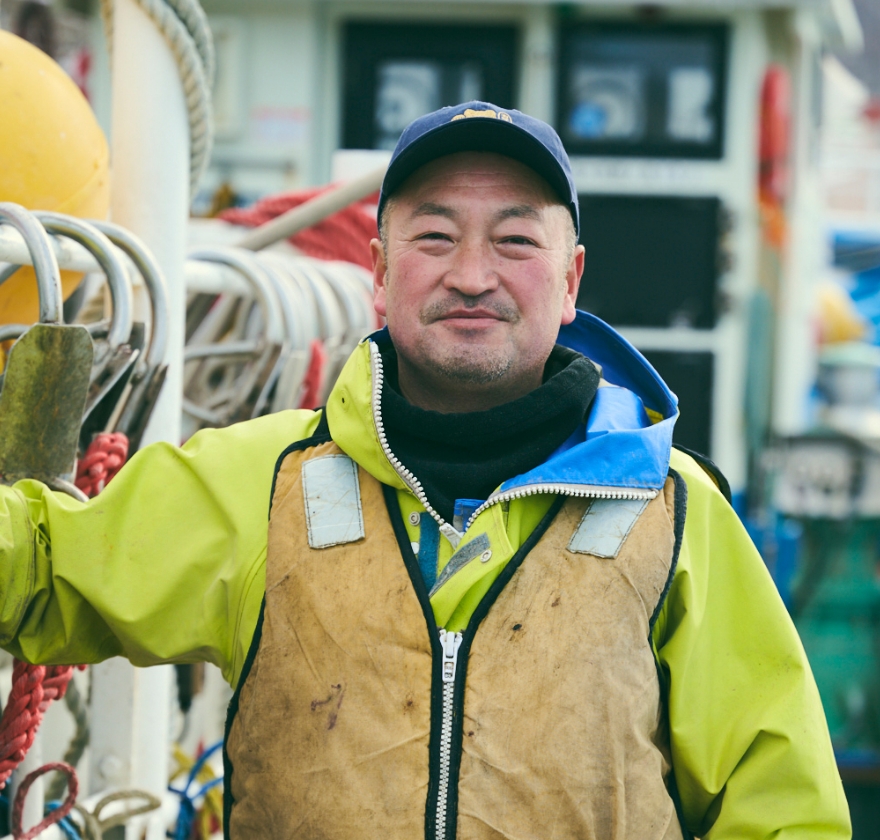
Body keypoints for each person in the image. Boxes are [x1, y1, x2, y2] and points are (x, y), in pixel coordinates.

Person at [0, 102, 849, 839]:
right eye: (434, 236)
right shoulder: (265, 484)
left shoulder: (676, 513)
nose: (471, 275)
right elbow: (40, 567)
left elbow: (782, 812)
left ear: (570, 280)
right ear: (376, 272)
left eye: (515, 240)